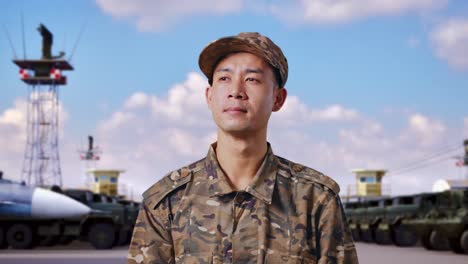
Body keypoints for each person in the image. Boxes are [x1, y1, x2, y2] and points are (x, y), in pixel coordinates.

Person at [127, 32, 359, 264]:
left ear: (278, 99)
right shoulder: (166, 202)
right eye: (224, 79)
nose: (236, 91)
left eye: (252, 79)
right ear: (209, 97)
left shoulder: (315, 200)